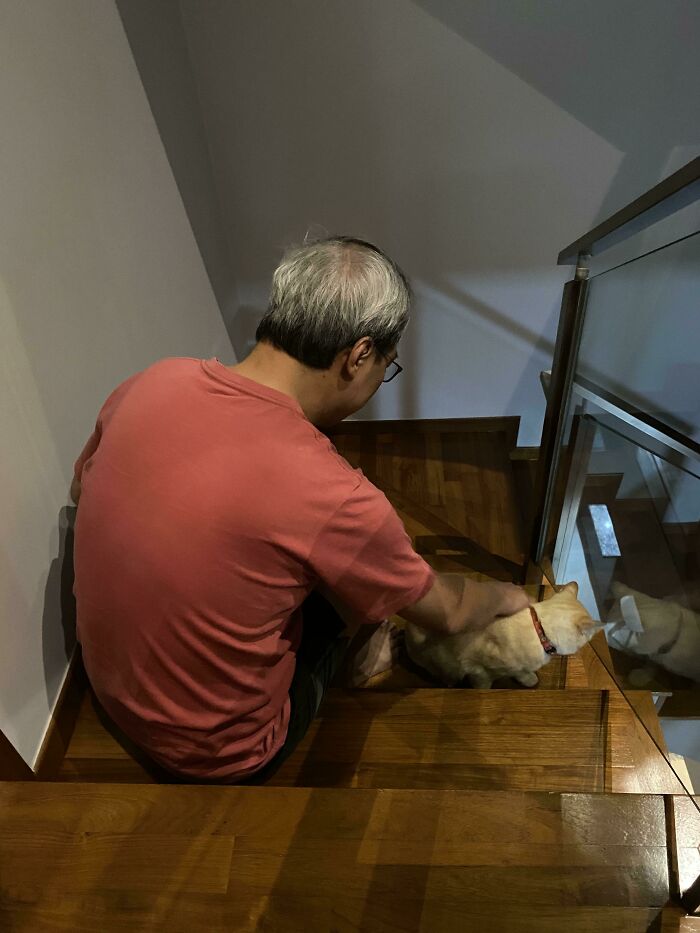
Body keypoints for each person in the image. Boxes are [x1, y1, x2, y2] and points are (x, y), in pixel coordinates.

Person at [71, 235, 530, 783]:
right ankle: (360, 657)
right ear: (358, 356)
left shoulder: (153, 380)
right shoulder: (335, 496)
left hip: (108, 690)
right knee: (365, 588)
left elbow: (83, 488)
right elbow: (450, 612)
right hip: (221, 752)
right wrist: (506, 594)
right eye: (388, 365)